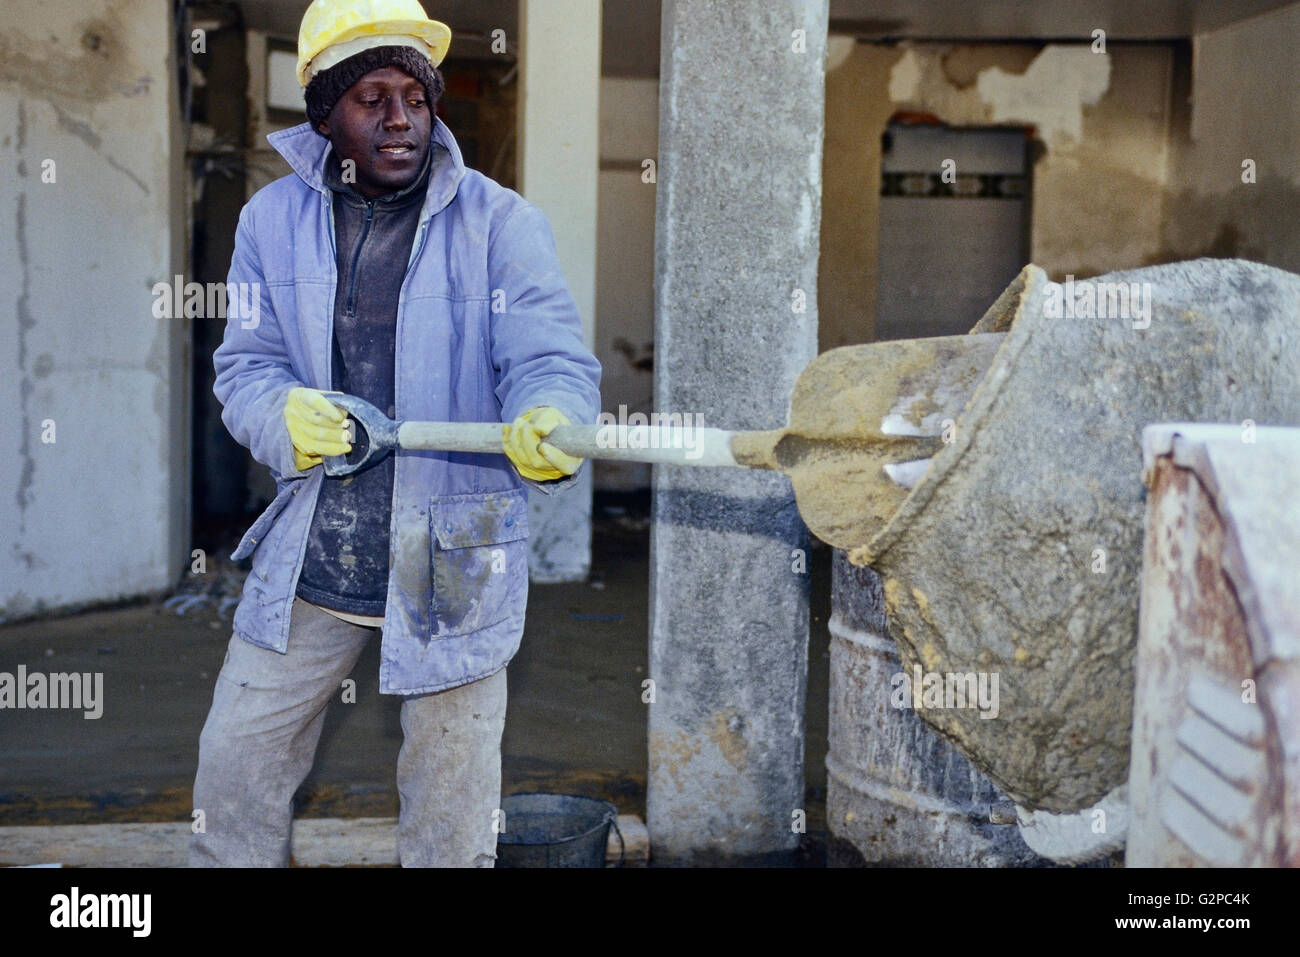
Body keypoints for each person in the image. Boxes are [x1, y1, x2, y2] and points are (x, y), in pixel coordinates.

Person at [190, 0, 602, 867]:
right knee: (237, 758)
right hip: (317, 540)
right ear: (326, 114)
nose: (400, 119)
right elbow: (247, 366)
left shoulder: (501, 223)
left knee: (451, 800)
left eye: (415, 96)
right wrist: (280, 415)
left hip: (454, 546)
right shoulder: (271, 222)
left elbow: (551, 359)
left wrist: (555, 417)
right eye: (371, 98)